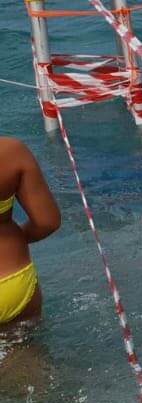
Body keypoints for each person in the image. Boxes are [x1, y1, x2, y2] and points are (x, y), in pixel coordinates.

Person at [0, 136, 62, 328]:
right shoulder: (11, 150)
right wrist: (15, 240)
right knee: (25, 355)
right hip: (12, 282)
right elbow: (47, 222)